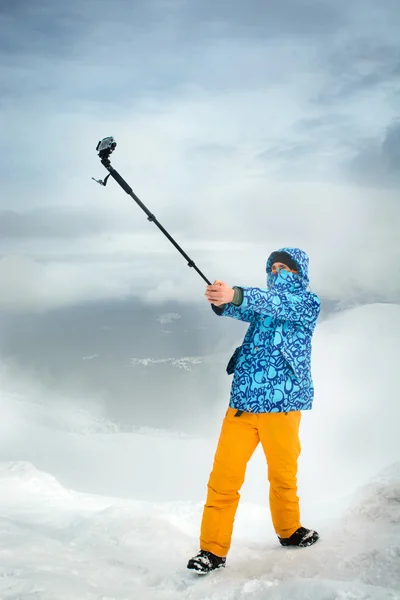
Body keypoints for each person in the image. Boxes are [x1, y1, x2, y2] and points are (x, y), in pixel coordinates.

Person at [187, 247, 321, 574]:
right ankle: (212, 551)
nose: (278, 272)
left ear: (299, 274)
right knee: (223, 478)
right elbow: (243, 307)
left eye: (285, 268)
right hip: (243, 406)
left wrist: (236, 294)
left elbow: (273, 302)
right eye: (273, 267)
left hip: (283, 407)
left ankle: (289, 530)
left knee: (282, 476)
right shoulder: (260, 305)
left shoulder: (306, 303)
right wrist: (223, 299)